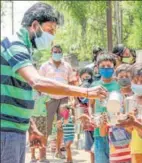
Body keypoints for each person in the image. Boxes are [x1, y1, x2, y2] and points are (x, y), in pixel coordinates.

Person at [0, 2, 107, 163]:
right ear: (35, 25)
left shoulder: (25, 49)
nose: (52, 35)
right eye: (50, 29)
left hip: (16, 129)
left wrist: (31, 127)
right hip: (7, 130)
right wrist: (84, 92)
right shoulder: (15, 45)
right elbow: (36, 81)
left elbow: (15, 91)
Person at [39, 44, 75, 159]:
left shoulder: (67, 66)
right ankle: (42, 154)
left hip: (64, 100)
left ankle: (58, 151)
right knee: (46, 126)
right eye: (55, 51)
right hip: (48, 99)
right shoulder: (45, 66)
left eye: (59, 51)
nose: (57, 53)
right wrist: (41, 100)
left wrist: (72, 99)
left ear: (62, 53)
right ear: (51, 52)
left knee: (62, 126)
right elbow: (39, 83)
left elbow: (72, 82)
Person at [91, 55, 121, 163]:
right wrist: (91, 117)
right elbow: (91, 104)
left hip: (116, 129)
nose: (106, 68)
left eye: (109, 66)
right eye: (103, 66)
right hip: (99, 130)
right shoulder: (94, 86)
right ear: (98, 68)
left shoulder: (119, 85)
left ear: (114, 67)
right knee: (101, 159)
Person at [124, 63, 142, 163]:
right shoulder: (129, 101)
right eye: (135, 81)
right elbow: (129, 130)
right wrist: (130, 121)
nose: (138, 84)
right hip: (137, 147)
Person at [78, 67, 95, 163]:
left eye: (88, 77)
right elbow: (79, 101)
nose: (86, 79)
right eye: (83, 77)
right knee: (90, 145)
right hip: (86, 120)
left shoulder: (94, 86)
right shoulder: (79, 88)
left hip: (94, 118)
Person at [30, 91, 50, 163]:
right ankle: (32, 156)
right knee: (32, 136)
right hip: (33, 116)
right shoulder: (31, 91)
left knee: (43, 136)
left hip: (43, 116)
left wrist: (45, 114)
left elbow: (47, 104)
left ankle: (42, 157)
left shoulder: (46, 93)